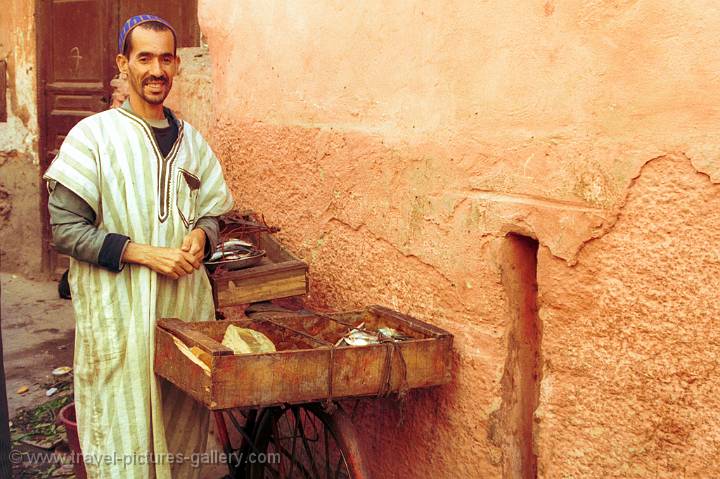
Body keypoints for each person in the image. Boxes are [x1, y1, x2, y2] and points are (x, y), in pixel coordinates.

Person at [43, 14, 234, 478]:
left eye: (166, 58)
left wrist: (202, 236)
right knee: (121, 436)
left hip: (183, 315)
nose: (156, 70)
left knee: (181, 431)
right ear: (122, 64)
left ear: (177, 66)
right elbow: (66, 230)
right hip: (119, 318)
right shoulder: (93, 137)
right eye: (144, 57)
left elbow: (211, 211)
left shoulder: (193, 143)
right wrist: (145, 253)